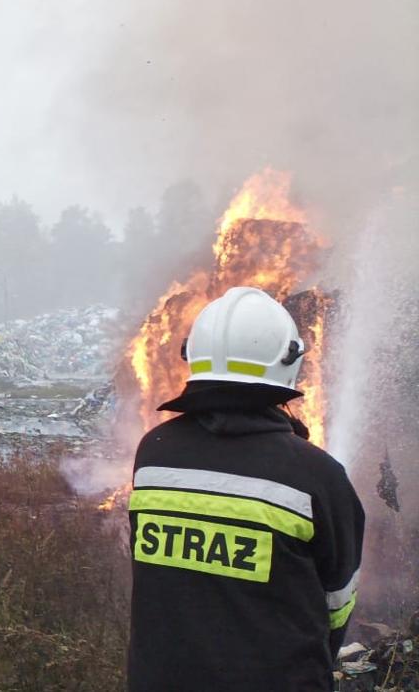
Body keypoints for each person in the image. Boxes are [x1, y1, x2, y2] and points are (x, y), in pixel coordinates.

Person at [128, 286, 364, 691]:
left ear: (194, 358)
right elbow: (336, 609)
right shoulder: (317, 475)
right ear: (288, 361)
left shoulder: (154, 452)